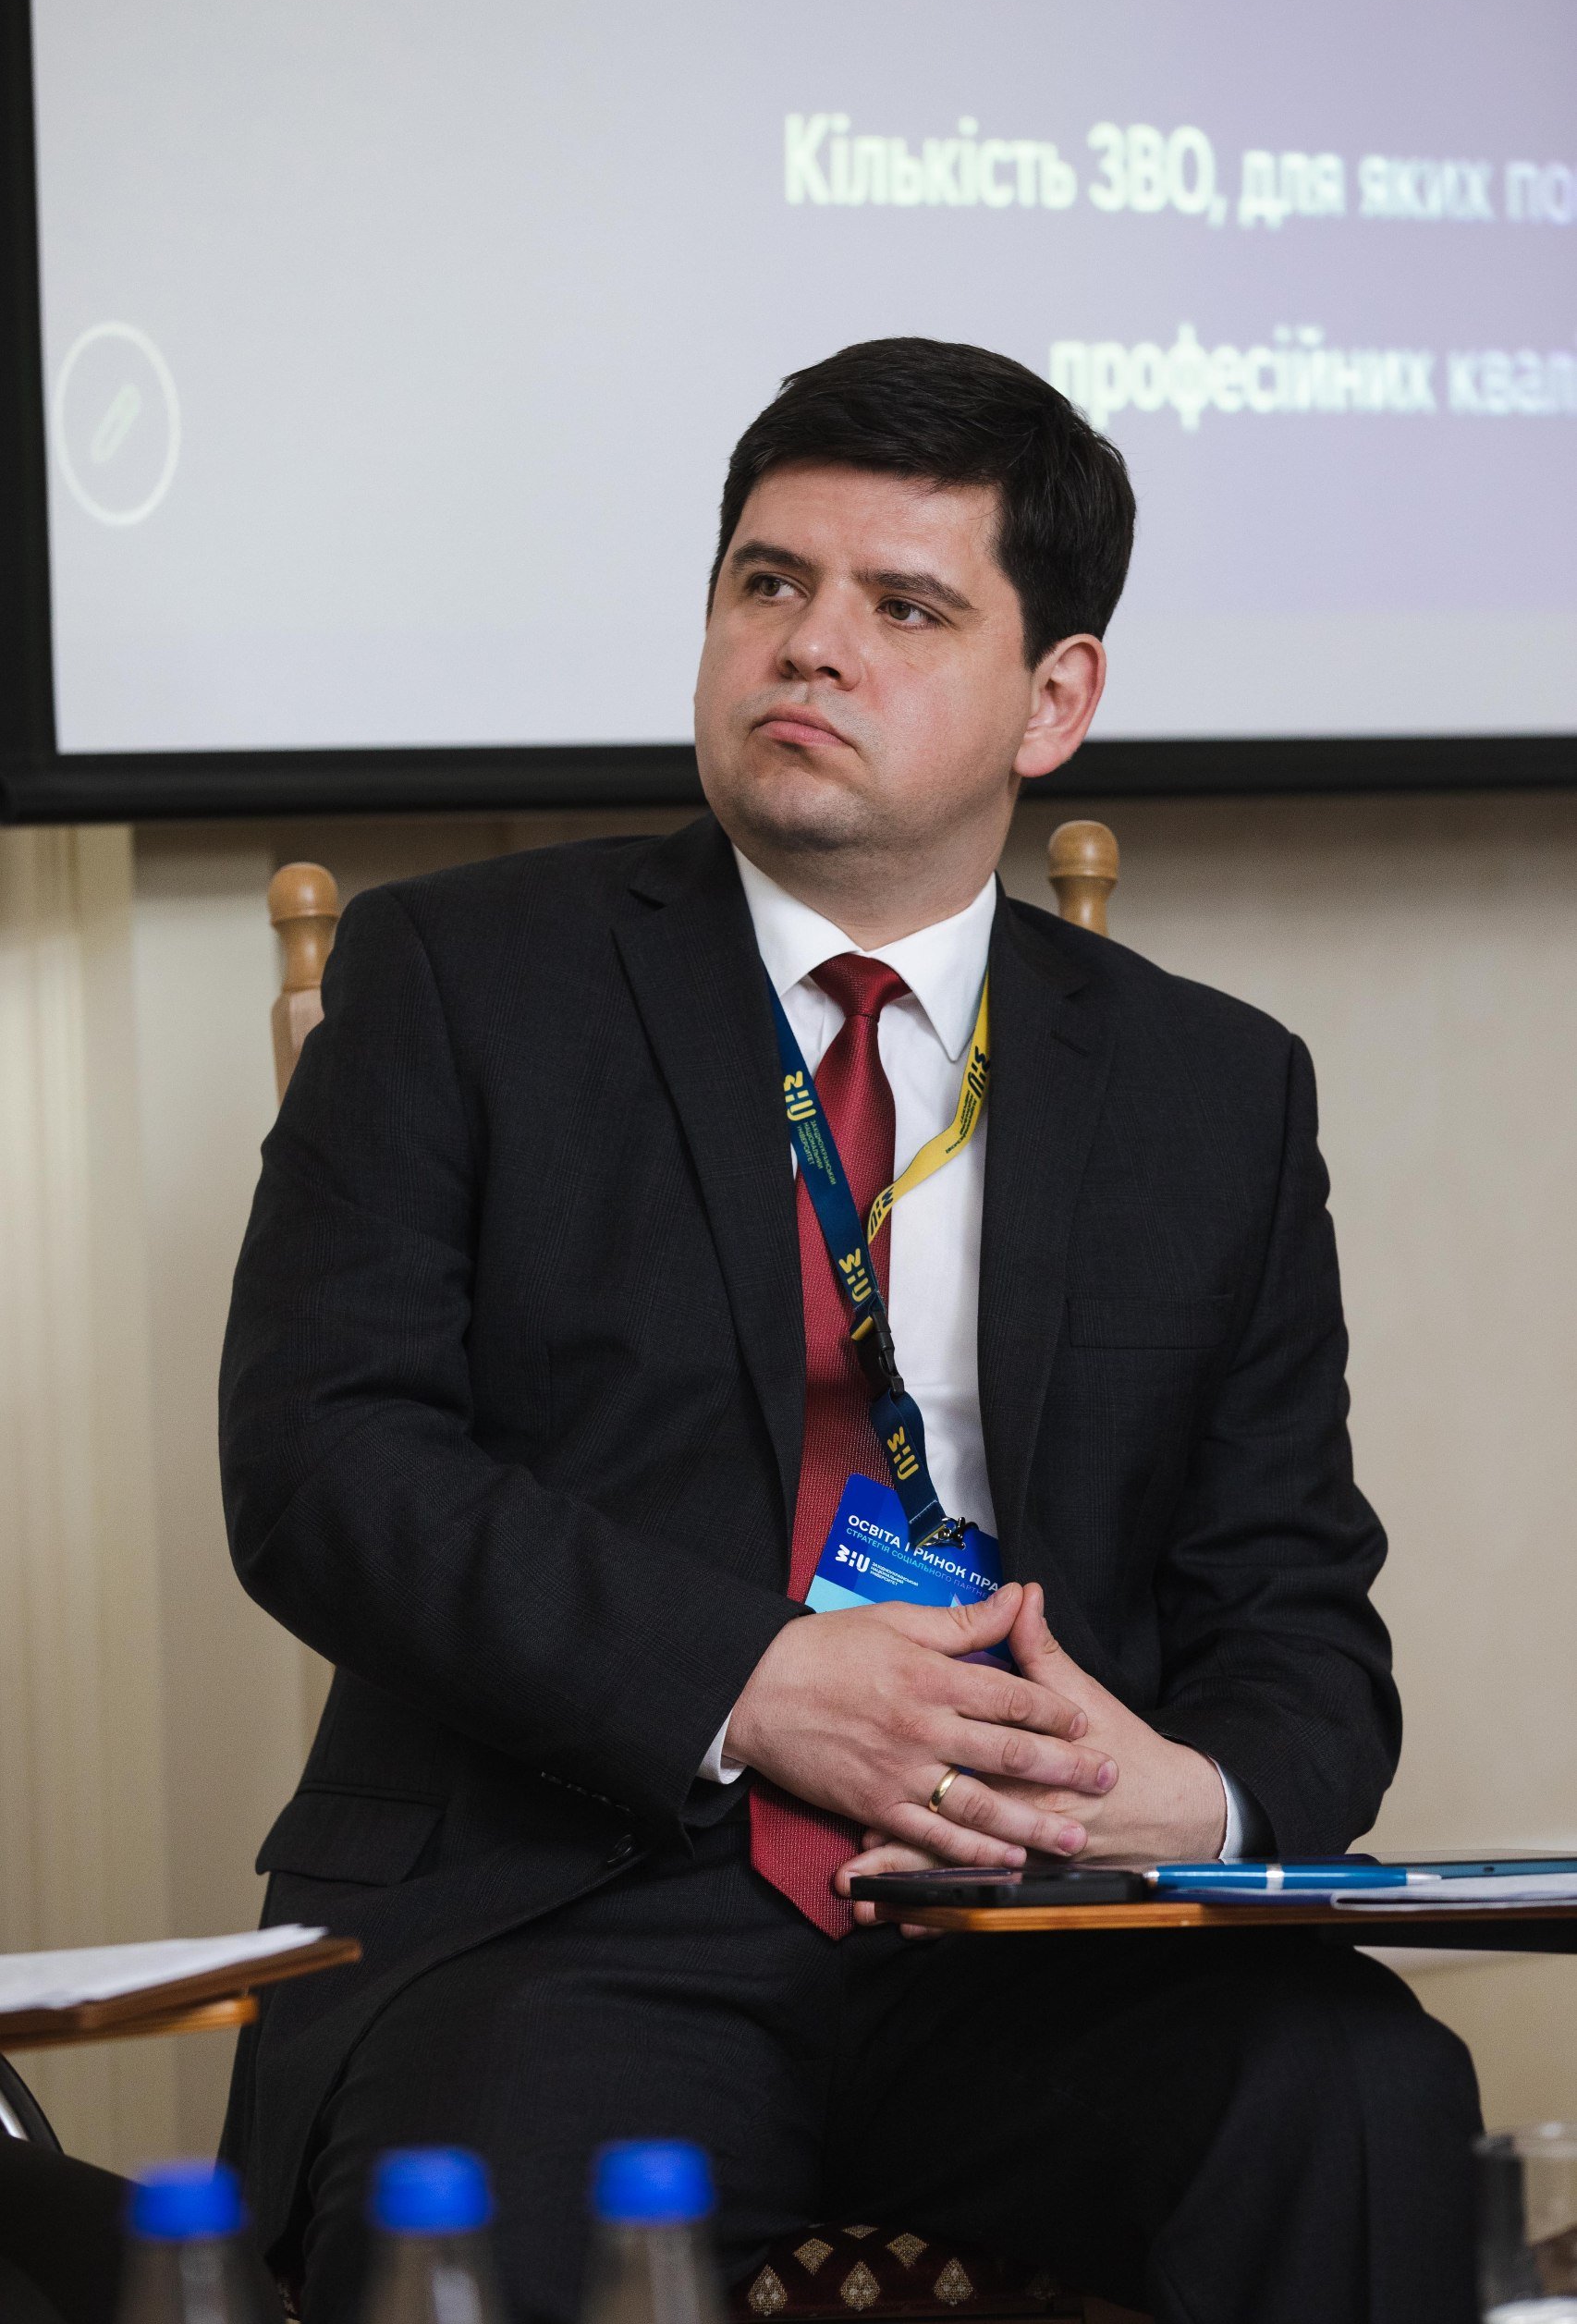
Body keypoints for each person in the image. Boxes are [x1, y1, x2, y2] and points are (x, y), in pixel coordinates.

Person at [218, 337, 1480, 2323]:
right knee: (482, 2172)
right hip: (575, 1914)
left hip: (1038, 1926)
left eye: (902, 606)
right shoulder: (464, 977)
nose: (807, 644)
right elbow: (326, 1467)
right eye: (767, 581)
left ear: (1053, 698)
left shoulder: (1211, 1089)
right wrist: (748, 1681)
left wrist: (1191, 1798)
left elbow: (1294, 1606)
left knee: (1352, 2091)